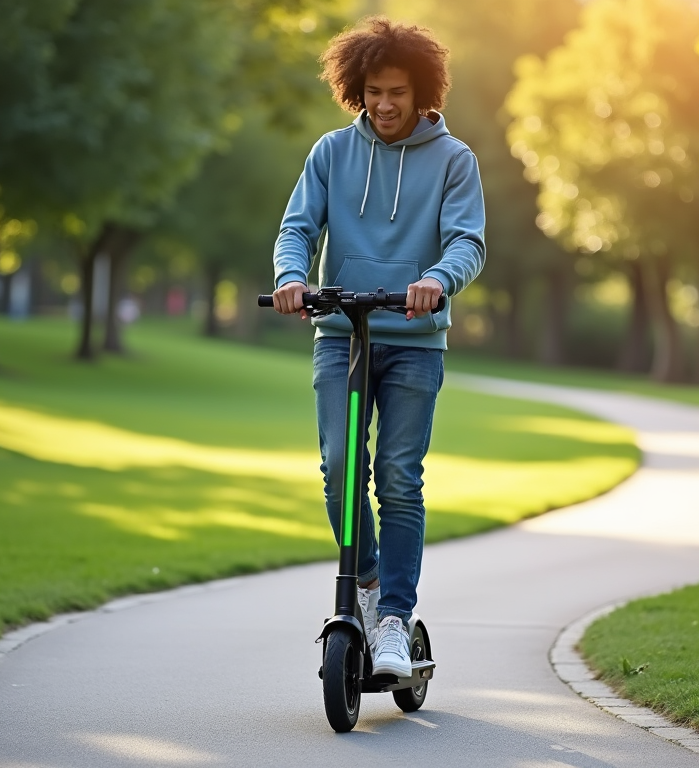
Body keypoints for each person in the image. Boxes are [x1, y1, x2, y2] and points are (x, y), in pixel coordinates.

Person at [270, 16, 485, 678]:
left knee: (397, 477)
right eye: (372, 92)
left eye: (396, 92)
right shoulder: (333, 153)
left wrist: (436, 280)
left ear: (423, 92)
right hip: (341, 335)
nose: (384, 105)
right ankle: (365, 589)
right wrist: (290, 277)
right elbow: (297, 228)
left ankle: (393, 619)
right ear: (355, 90)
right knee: (338, 469)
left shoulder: (454, 160)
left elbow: (467, 243)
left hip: (415, 343)